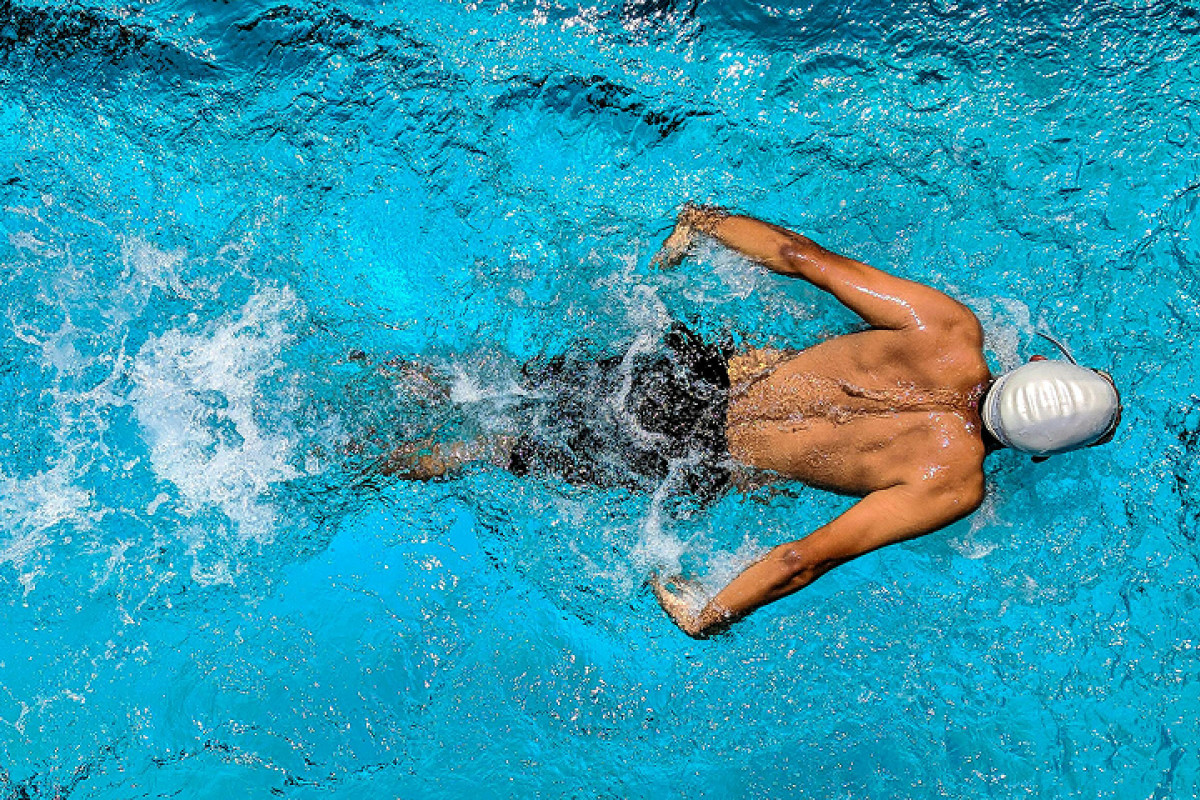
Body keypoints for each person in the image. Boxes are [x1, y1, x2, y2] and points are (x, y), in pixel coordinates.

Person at [374, 206, 1122, 639]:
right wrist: (711, 613)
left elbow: (799, 256)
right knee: (494, 451)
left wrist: (705, 224)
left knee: (494, 386)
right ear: (1039, 453)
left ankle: (386, 372)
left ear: (1034, 364)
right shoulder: (952, 484)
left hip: (685, 373)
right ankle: (369, 462)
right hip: (692, 456)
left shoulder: (948, 329)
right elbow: (802, 559)